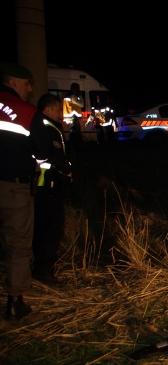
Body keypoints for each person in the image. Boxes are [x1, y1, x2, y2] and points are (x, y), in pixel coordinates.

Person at [0, 62, 52, 320]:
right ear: (13, 83)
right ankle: (14, 302)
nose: (31, 89)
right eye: (27, 83)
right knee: (17, 244)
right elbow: (43, 152)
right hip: (13, 187)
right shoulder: (26, 112)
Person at [32, 93, 73, 287]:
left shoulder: (42, 125)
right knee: (52, 228)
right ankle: (44, 271)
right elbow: (53, 156)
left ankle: (39, 268)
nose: (60, 114)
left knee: (41, 228)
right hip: (48, 186)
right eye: (58, 110)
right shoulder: (47, 128)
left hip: (41, 186)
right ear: (47, 110)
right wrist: (66, 171)